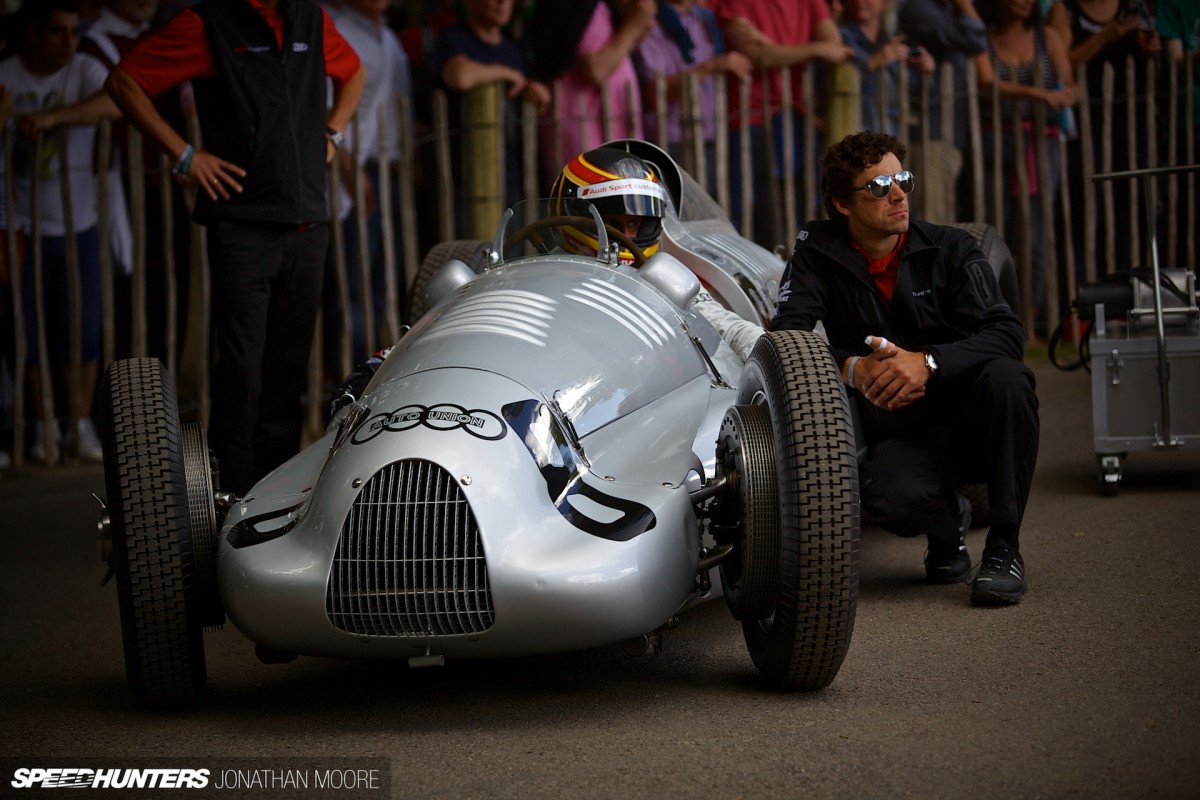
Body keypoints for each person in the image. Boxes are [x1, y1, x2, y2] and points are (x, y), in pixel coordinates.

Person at [105, 0, 365, 496]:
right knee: (242, 366)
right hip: (243, 225)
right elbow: (123, 82)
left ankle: (276, 496)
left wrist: (332, 132)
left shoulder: (309, 17)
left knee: (288, 367)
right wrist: (185, 156)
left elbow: (354, 73)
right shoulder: (206, 22)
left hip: (307, 219)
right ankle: (229, 496)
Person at [771, 130, 1039, 605]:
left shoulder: (952, 249)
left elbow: (1007, 333)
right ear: (842, 205)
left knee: (1009, 379)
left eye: (902, 180)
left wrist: (929, 362)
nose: (897, 195)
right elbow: (785, 339)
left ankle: (1004, 548)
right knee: (890, 502)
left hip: (973, 421)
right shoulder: (818, 252)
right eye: (878, 187)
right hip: (900, 433)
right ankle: (945, 522)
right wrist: (853, 369)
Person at [0, 0, 109, 464]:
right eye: (57, 32)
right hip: (19, 224)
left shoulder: (84, 67)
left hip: (76, 221)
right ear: (33, 32)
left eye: (73, 31)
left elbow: (115, 102)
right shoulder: (7, 73)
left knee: (82, 327)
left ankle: (78, 423)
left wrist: (52, 118)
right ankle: (44, 423)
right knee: (30, 330)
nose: (68, 41)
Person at [710, 0, 853, 250]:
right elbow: (757, 55)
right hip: (747, 117)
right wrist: (814, 48)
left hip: (792, 116)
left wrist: (769, 45)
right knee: (744, 212)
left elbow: (834, 44)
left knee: (791, 209)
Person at [975, 0, 1078, 337]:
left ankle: (1030, 323)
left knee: (1034, 237)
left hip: (1040, 145)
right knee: (991, 233)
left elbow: (1070, 85)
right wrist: (1036, 93)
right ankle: (993, 321)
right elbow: (986, 83)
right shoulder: (984, 39)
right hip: (994, 144)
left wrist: (1063, 97)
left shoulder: (1046, 37)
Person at [328, 0, 413, 360]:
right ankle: (349, 369)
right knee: (357, 282)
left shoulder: (388, 36)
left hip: (390, 167)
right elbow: (329, 109)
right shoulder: (338, 30)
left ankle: (377, 363)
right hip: (358, 169)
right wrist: (349, 170)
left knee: (384, 280)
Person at [427, 0, 549, 209]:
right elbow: (460, 76)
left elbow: (535, 98)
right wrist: (508, 74)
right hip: (466, 177)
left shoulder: (513, 47)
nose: (502, 3)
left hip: (510, 173)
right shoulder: (455, 39)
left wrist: (535, 92)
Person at [529, 0, 656, 182]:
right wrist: (634, 26)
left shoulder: (599, 8)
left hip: (601, 138)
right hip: (588, 140)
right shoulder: (586, 7)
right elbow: (597, 69)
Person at [632, 0, 753, 191]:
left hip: (711, 136)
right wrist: (711, 66)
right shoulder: (650, 24)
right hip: (673, 141)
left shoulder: (704, 19)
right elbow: (657, 93)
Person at [838, 0, 935, 136]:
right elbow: (837, 81)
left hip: (890, 135)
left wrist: (924, 72)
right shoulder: (840, 37)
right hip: (854, 135)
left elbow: (915, 91)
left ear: (885, 4)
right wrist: (873, 62)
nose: (859, 2)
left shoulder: (892, 41)